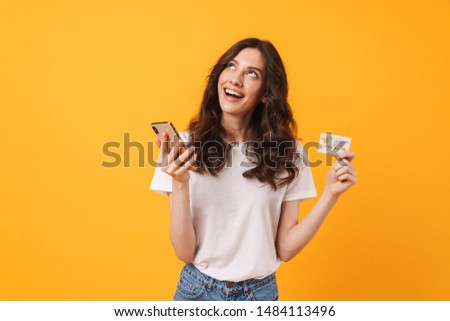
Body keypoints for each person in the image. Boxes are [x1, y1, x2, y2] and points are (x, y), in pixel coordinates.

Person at [150, 38, 357, 301]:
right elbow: (184, 253)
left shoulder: (289, 153)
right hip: (196, 292)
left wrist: (330, 194)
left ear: (266, 93)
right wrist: (180, 183)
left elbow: (285, 249)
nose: (236, 79)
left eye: (251, 73)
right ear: (219, 76)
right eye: (231, 66)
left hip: (259, 295)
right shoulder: (183, 149)